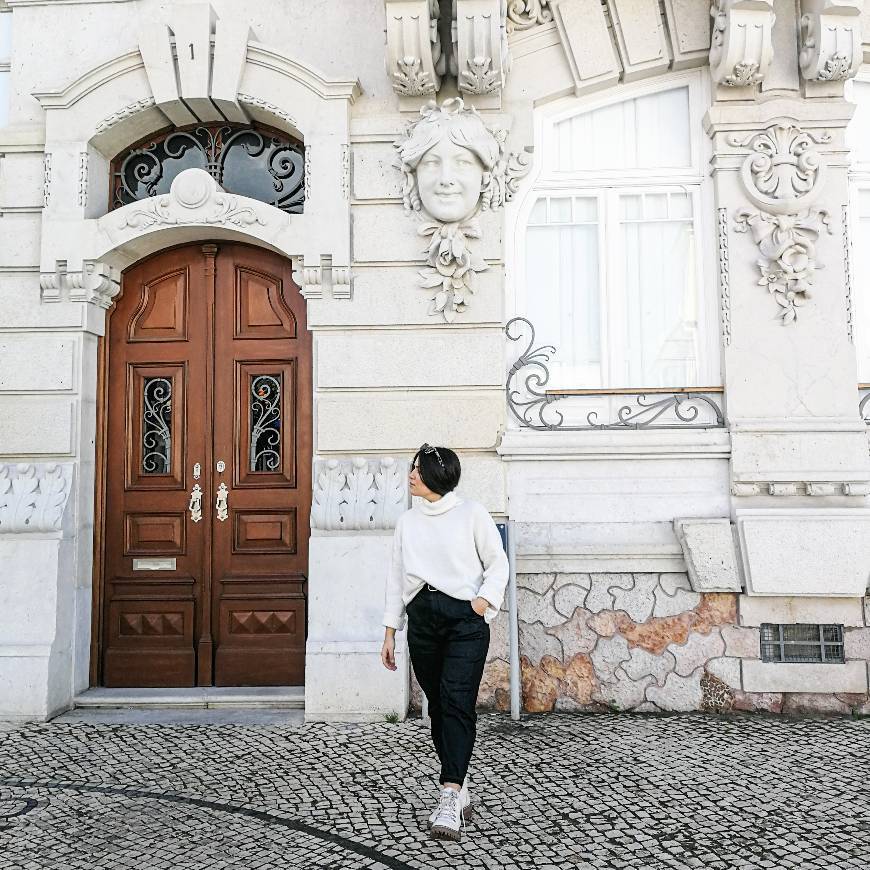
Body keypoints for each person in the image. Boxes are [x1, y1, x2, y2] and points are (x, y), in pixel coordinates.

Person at [380, 443, 509, 842]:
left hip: (464, 623)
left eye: (419, 469)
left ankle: (449, 796)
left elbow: (497, 562)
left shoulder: (471, 513)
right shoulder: (408, 522)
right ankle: (460, 778)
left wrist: (484, 601)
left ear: (438, 475)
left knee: (456, 701)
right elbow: (397, 576)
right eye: (413, 468)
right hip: (422, 621)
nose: (412, 474)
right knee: (438, 705)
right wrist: (390, 630)